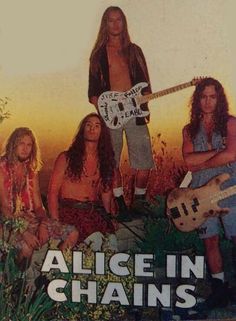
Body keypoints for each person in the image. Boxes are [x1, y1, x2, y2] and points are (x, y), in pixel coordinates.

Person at [88, 6, 154, 220]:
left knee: (144, 159)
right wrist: (106, 112)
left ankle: (139, 202)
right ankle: (120, 204)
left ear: (124, 23)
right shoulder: (98, 56)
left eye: (119, 20)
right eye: (110, 20)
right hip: (112, 116)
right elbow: (93, 93)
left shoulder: (135, 51)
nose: (115, 24)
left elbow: (145, 84)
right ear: (104, 24)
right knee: (112, 160)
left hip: (135, 112)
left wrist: (145, 102)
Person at [182, 77, 236, 308]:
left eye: (212, 96)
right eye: (203, 96)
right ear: (197, 100)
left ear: (219, 99)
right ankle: (219, 290)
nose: (207, 101)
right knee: (210, 241)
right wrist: (217, 154)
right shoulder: (189, 129)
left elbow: (232, 154)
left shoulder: (231, 123)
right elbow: (188, 160)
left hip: (229, 190)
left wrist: (202, 163)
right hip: (200, 195)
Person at [0, 127, 78, 267]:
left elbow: (38, 206)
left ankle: (49, 276)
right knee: (26, 247)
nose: (25, 149)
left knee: (72, 234)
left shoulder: (31, 169)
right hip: (8, 222)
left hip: (31, 219)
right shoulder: (2, 167)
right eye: (21, 144)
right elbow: (5, 209)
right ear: (13, 145)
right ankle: (15, 285)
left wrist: (43, 223)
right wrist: (23, 232)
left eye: (29, 145)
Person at [48, 113, 118, 251]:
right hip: (70, 212)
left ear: (102, 132)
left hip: (94, 212)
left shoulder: (105, 162)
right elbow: (52, 192)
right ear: (82, 129)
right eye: (89, 125)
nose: (92, 128)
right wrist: (56, 223)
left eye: (97, 126)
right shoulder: (66, 158)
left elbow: (105, 193)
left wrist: (109, 217)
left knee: (112, 242)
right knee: (96, 241)